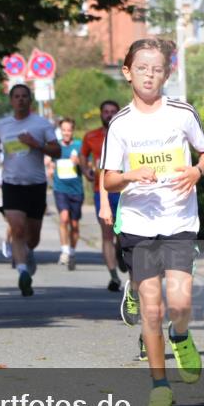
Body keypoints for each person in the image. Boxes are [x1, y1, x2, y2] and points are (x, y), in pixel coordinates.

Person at [101, 38, 204, 406]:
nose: (150, 75)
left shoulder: (182, 112)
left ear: (167, 73)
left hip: (179, 219)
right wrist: (131, 175)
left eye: (157, 68)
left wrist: (197, 171)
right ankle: (160, 385)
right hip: (138, 222)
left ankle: (180, 335)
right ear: (127, 72)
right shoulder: (120, 124)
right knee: (152, 309)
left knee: (179, 303)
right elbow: (109, 180)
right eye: (143, 68)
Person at [0, 83, 61, 296]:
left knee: (33, 237)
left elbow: (57, 150)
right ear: (11, 101)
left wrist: (35, 143)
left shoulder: (41, 124)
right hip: (11, 185)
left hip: (36, 186)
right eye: (16, 96)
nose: (20, 100)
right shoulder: (3, 125)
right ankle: (22, 273)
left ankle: (28, 253)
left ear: (30, 100)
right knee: (17, 229)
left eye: (24, 96)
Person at [79, 100, 127, 292]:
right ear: (101, 114)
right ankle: (114, 276)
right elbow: (83, 155)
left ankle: (121, 251)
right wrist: (85, 170)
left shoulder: (127, 134)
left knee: (123, 235)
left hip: (124, 191)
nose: (109, 115)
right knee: (107, 234)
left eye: (113, 111)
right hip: (103, 192)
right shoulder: (91, 136)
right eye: (105, 112)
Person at [49, 118, 83, 270]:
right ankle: (64, 251)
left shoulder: (79, 145)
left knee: (74, 225)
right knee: (63, 218)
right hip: (60, 188)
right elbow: (48, 160)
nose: (66, 133)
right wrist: (49, 167)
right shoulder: (55, 146)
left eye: (69, 130)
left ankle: (72, 252)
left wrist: (79, 162)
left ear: (72, 131)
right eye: (64, 130)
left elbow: (88, 165)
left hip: (76, 190)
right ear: (60, 131)